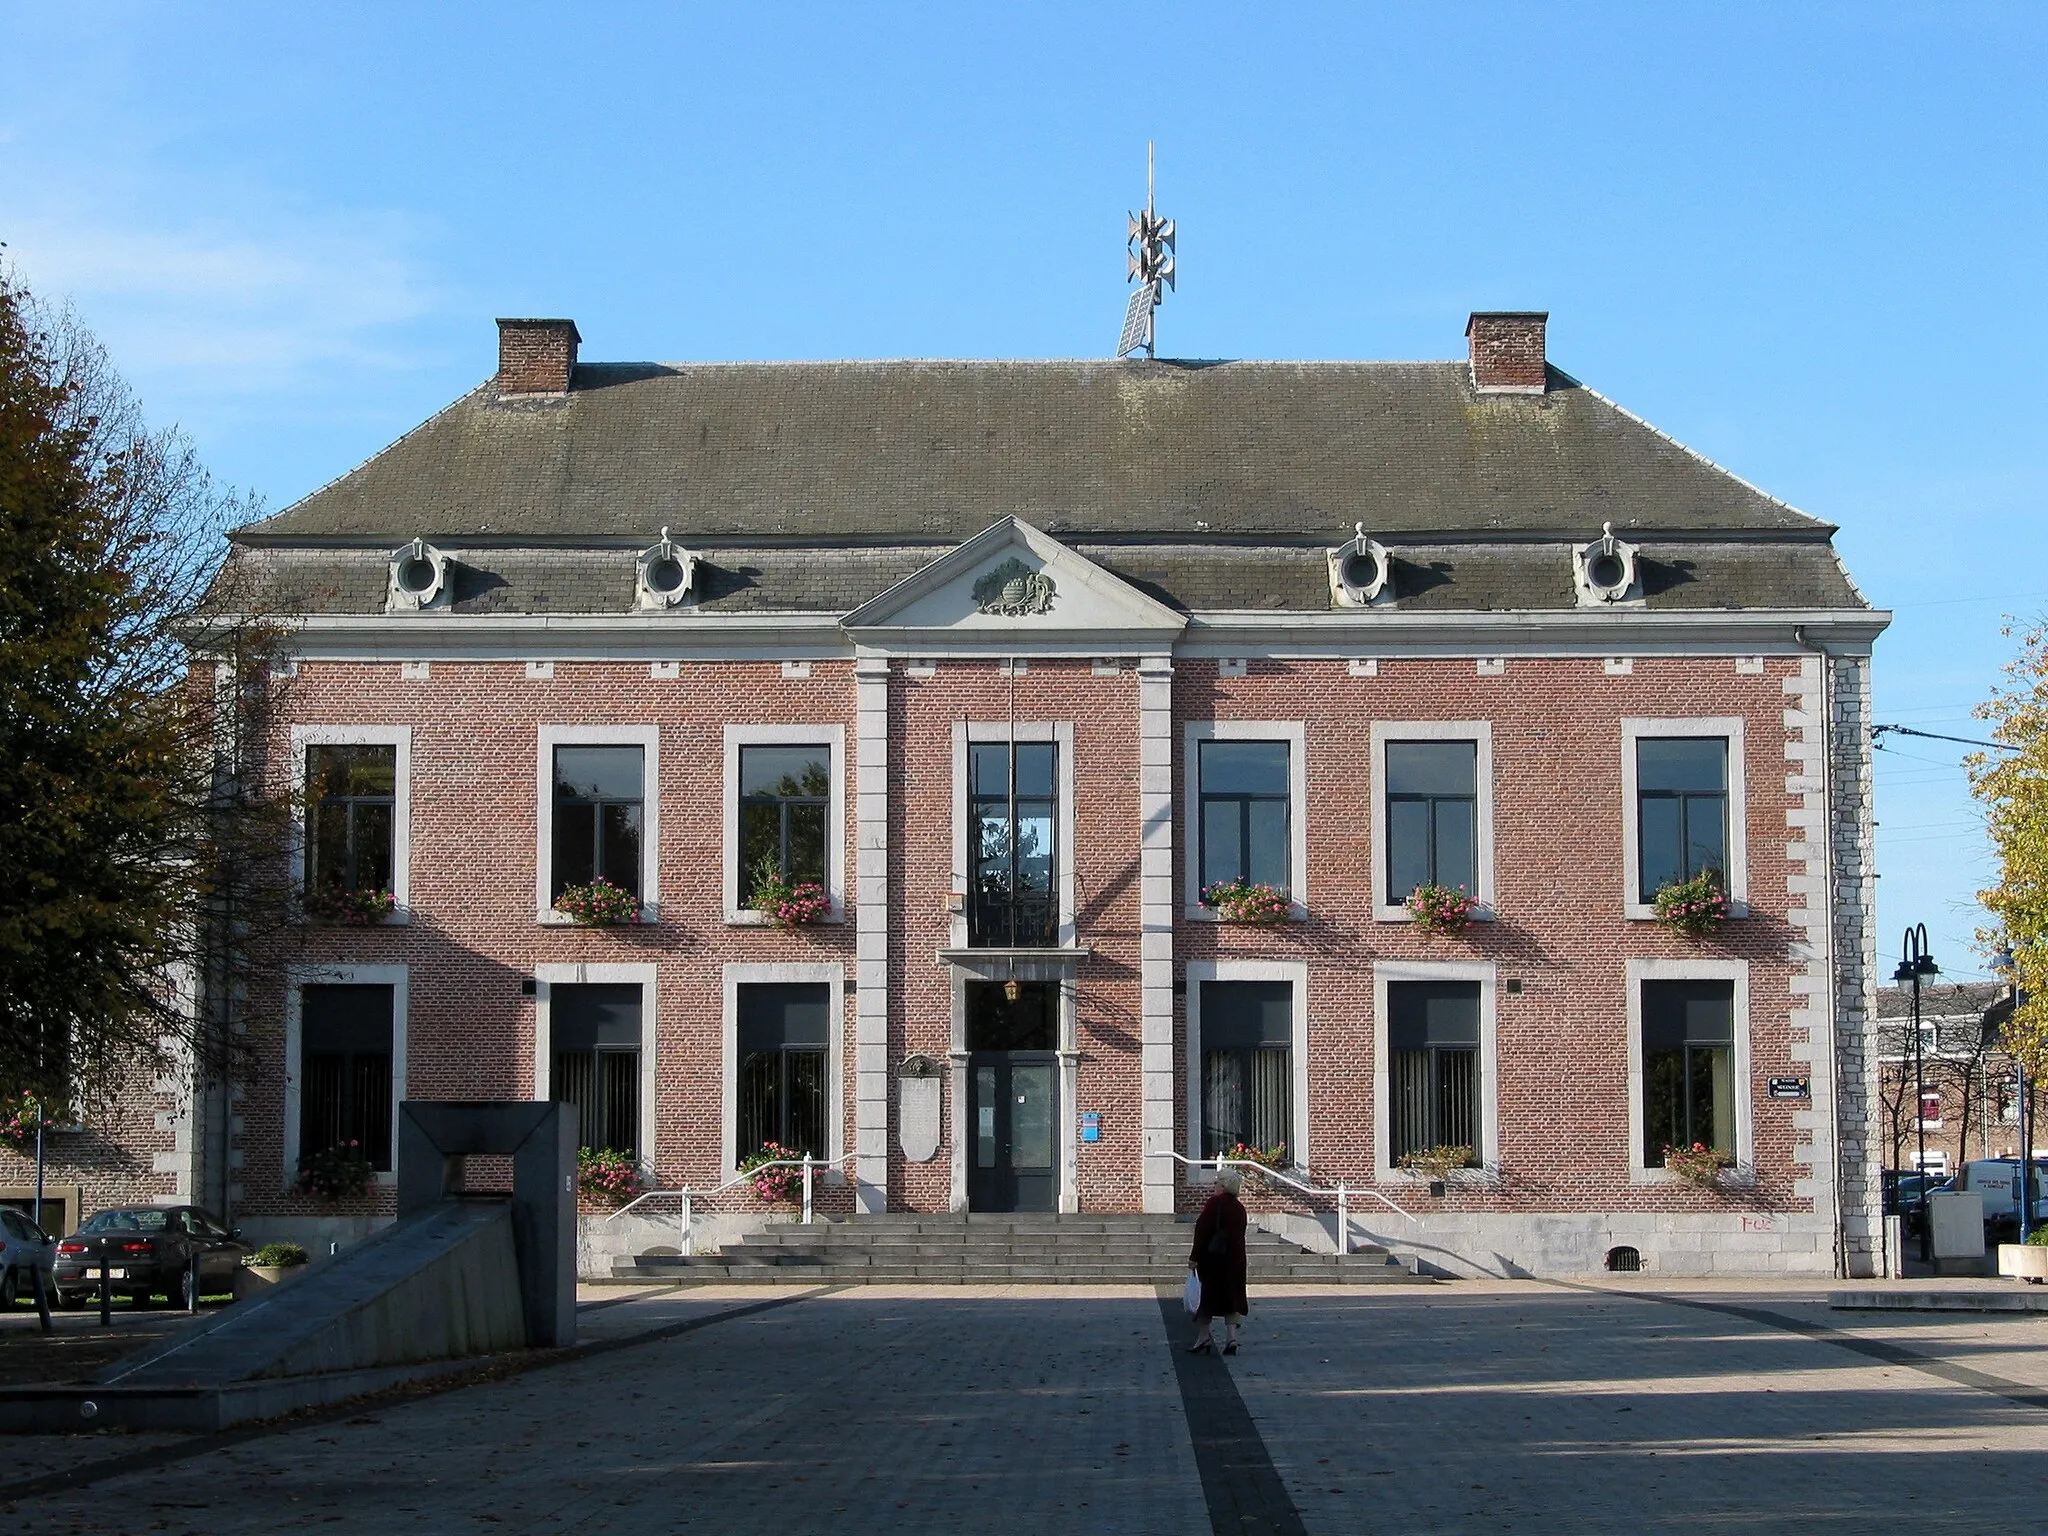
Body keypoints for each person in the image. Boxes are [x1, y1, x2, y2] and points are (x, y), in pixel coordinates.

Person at [1187, 1165, 1249, 1355]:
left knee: (1206, 1299)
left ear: (1223, 1185)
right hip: (1235, 1260)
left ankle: (1203, 1337)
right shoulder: (1240, 1208)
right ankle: (1231, 1339)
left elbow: (1202, 1230)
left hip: (1214, 1260)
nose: (1214, 1185)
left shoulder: (1214, 1203)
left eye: (1216, 1182)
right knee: (1231, 1299)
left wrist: (1194, 1256)